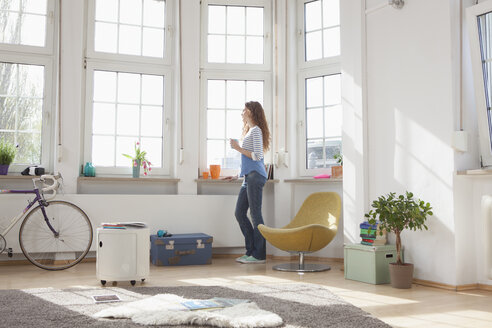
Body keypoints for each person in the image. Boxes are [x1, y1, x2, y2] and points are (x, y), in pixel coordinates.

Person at [229, 101, 270, 264]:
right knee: (239, 213)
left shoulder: (257, 131)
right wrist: (236, 175)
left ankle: (259, 255)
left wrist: (237, 148)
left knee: (255, 214)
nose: (242, 113)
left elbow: (257, 156)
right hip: (248, 177)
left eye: (244, 110)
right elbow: (248, 160)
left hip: (255, 176)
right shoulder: (250, 131)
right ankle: (251, 251)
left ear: (252, 112)